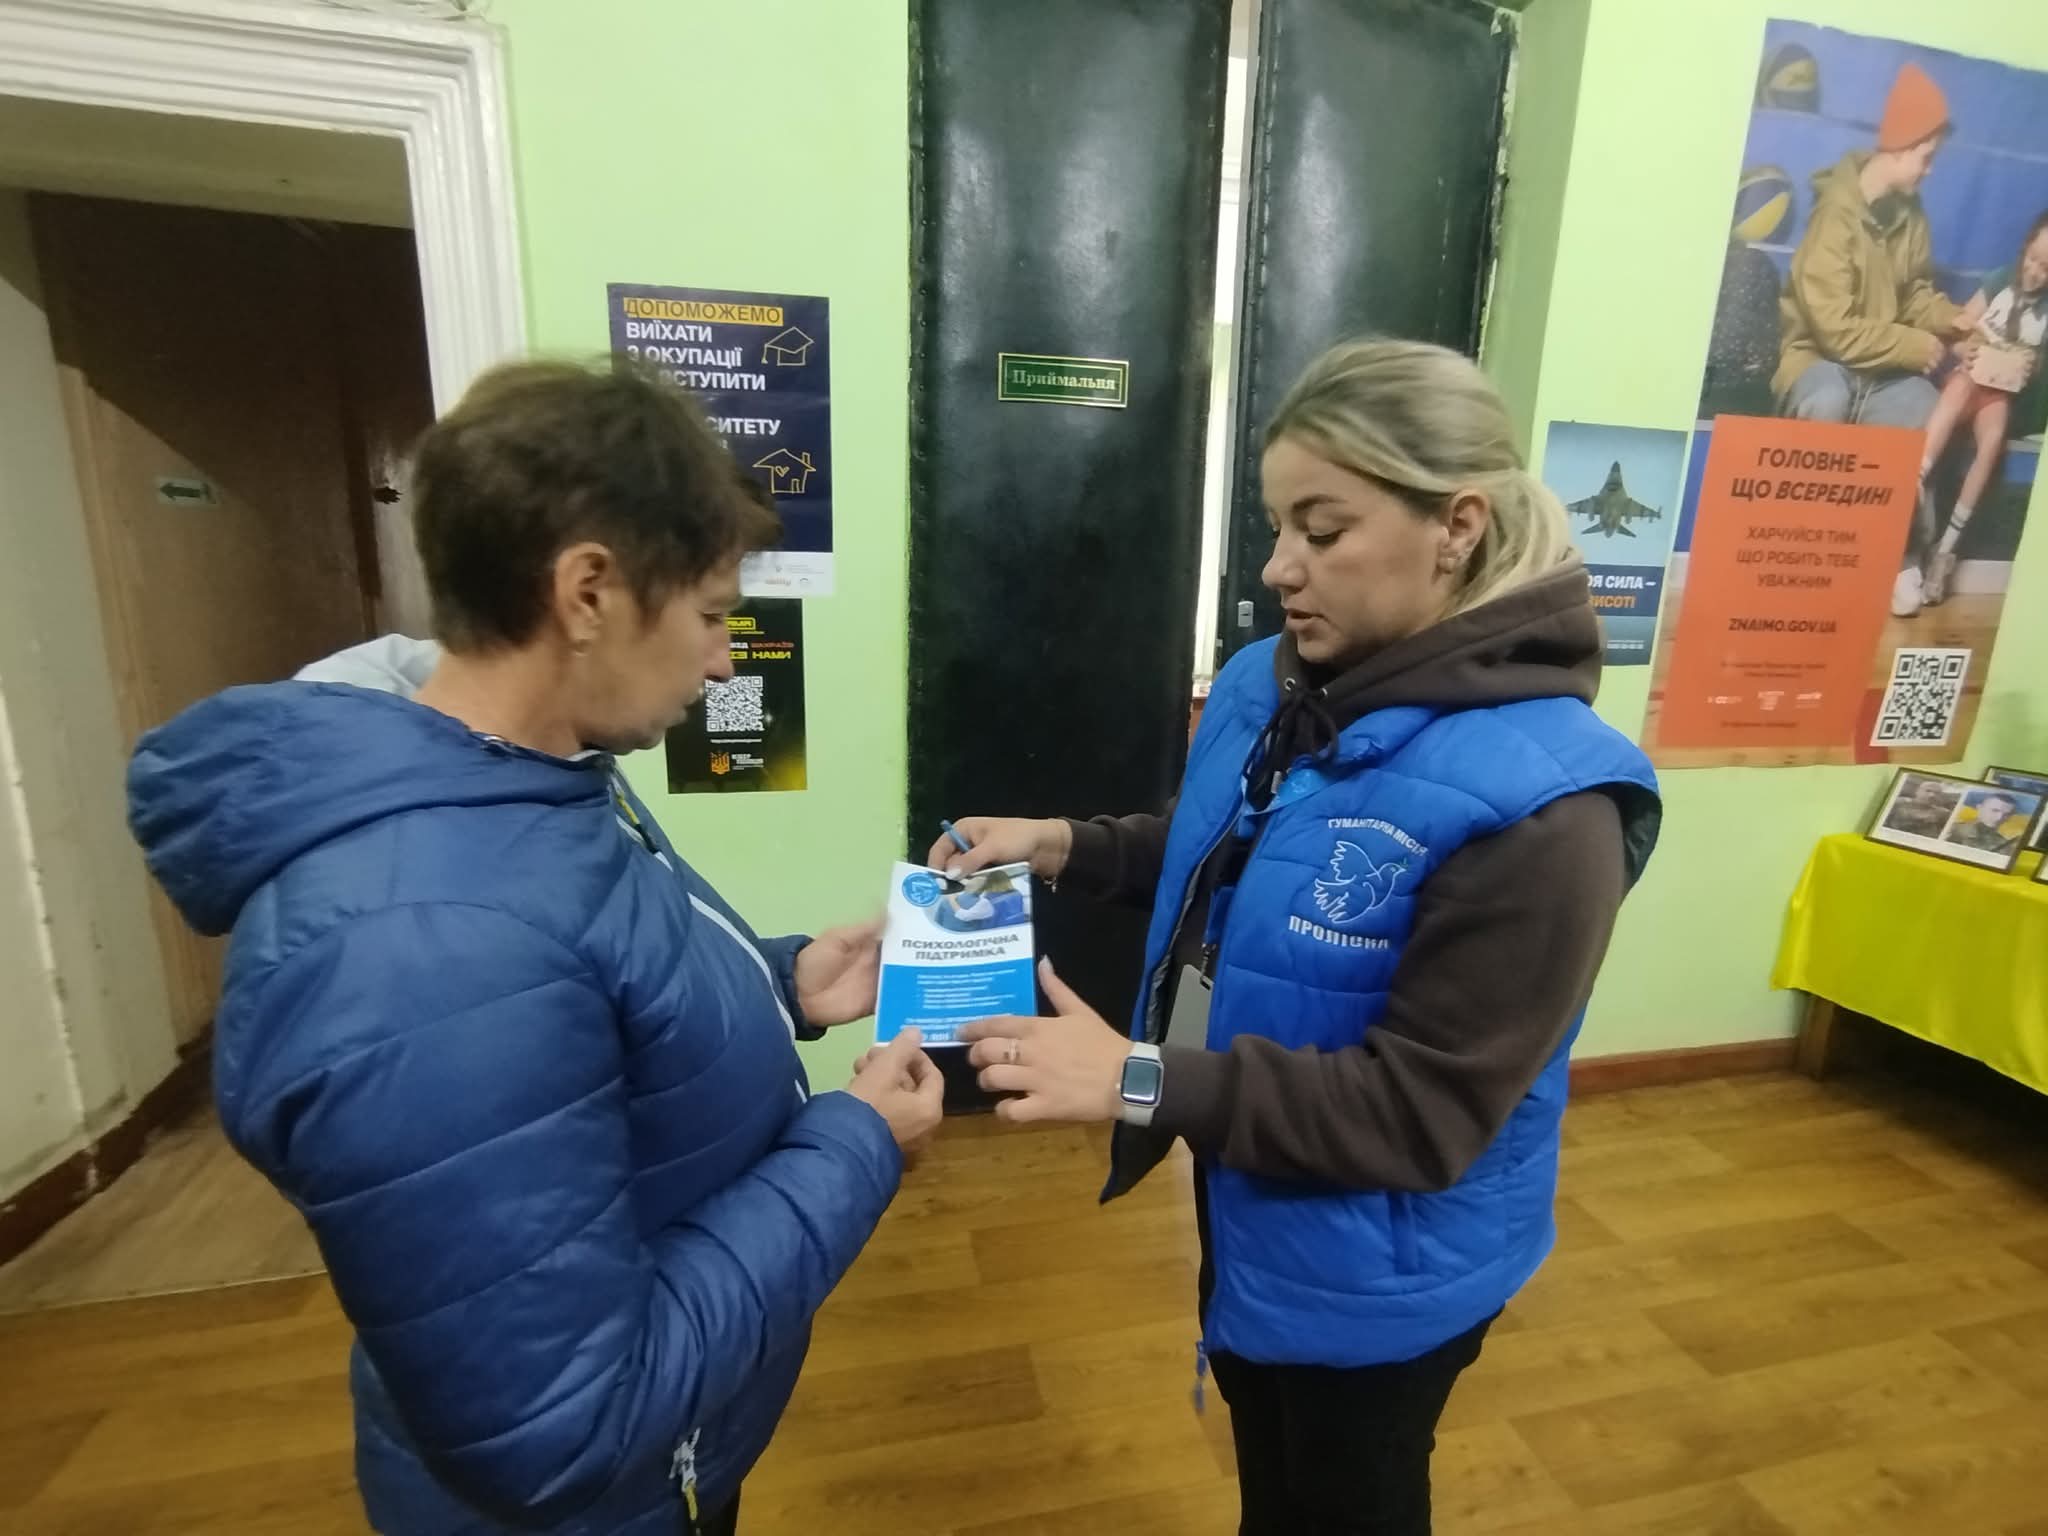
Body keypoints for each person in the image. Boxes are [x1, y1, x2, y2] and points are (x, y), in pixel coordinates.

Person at [127, 358, 944, 1536]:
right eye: (712, 614)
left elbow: (585, 1009)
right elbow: (566, 1427)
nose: (725, 660)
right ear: (588, 593)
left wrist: (781, 985)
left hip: (672, 1470)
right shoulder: (416, 950)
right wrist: (855, 1144)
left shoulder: (528, 783)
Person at [933, 339, 1661, 1535]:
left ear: (1456, 525)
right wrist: (1061, 844)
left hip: (1387, 1271)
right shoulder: (1273, 681)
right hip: (1256, 1202)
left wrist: (1133, 1077)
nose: (1278, 568)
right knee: (1272, 1479)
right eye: (1276, 527)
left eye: (1321, 531)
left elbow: (1419, 1115)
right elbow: (1236, 850)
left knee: (1344, 1495)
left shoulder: (1548, 810)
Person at [1773, 60, 1974, 616]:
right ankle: (1795, 556)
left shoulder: (1911, 216)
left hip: (1878, 376)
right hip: (1820, 363)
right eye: (1927, 158)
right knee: (1826, 399)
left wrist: (1956, 320)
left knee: (1923, 405)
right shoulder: (1833, 218)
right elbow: (1834, 332)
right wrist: (1914, 346)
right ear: (1901, 148)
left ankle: (1901, 557)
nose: (1930, 170)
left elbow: (1913, 295)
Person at [1913, 212, 2048, 605]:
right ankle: (1914, 479)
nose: (2035, 272)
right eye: (2033, 259)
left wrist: (2032, 367)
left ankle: (1945, 552)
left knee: (1992, 442)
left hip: (2000, 393)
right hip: (1970, 378)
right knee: (1957, 389)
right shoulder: (1999, 280)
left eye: (2046, 268)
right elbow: (1958, 329)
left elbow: (2038, 376)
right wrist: (1963, 349)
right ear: (2024, 249)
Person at [1944, 792, 2023, 857]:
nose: (1999, 818)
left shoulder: (2005, 844)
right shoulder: (1952, 829)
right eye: (1995, 810)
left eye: (2007, 814)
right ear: (1979, 808)